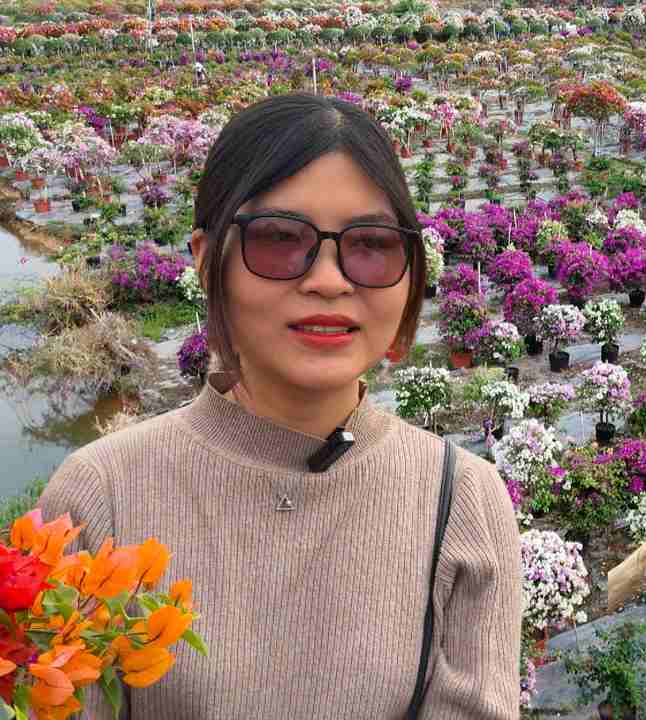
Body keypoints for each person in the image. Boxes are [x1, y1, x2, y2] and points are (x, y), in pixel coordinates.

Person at [37, 93, 521, 719]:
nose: (328, 279)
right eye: (279, 238)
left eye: (371, 243)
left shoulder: (462, 503)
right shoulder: (102, 496)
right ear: (208, 260)